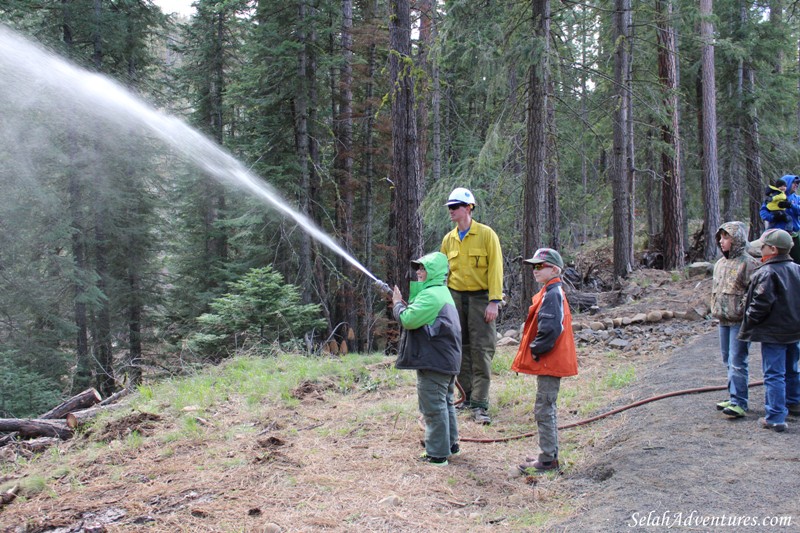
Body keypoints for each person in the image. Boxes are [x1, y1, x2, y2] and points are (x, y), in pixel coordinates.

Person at [440, 187, 503, 425]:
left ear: (468, 208)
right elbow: (442, 272)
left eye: (455, 207)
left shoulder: (487, 235)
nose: (451, 211)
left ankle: (480, 404)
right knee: (460, 349)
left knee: (482, 351)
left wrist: (494, 301)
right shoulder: (449, 239)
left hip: (481, 298)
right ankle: (465, 398)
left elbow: (496, 269)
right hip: (455, 298)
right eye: (449, 207)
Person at [392, 252, 462, 465]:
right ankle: (451, 446)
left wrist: (397, 304)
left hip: (435, 361)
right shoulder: (440, 292)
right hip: (445, 360)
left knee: (433, 407)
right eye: (418, 269)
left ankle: (437, 454)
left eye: (423, 268)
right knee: (445, 403)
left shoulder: (431, 295)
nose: (419, 272)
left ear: (435, 272)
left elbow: (408, 319)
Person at [512, 248, 578, 473]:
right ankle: (547, 455)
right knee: (544, 407)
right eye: (534, 266)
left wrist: (536, 349)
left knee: (544, 408)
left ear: (555, 269)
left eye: (540, 266)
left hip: (551, 363)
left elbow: (550, 329)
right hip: (550, 362)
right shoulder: (550, 292)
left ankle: (548, 460)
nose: (535, 270)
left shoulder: (552, 294)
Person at [738, 229, 800, 432]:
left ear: (772, 250)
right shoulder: (797, 269)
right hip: (794, 331)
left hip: (774, 334)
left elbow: (760, 304)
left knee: (774, 374)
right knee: (792, 369)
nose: (760, 250)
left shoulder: (766, 273)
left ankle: (774, 416)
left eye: (763, 246)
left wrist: (749, 321)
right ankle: (794, 402)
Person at [710, 221, 758, 418]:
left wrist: (746, 312)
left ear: (737, 239)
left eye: (726, 237)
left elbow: (755, 293)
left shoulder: (749, 263)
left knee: (738, 361)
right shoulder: (720, 264)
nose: (722, 241)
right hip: (723, 319)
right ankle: (733, 396)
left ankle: (740, 402)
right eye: (720, 237)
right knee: (727, 359)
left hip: (740, 321)